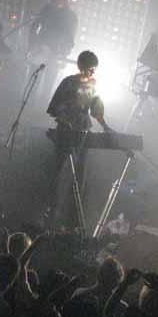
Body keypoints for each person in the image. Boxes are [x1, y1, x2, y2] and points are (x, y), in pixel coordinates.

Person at [46, 50, 112, 228]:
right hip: (66, 133)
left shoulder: (93, 85)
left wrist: (106, 127)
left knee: (80, 177)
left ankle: (73, 222)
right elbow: (56, 108)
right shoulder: (68, 83)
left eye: (95, 69)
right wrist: (64, 121)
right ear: (81, 67)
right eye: (91, 69)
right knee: (59, 174)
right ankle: (51, 216)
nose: (93, 72)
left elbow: (96, 110)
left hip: (82, 133)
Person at [29, 0, 78, 106]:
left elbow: (70, 38)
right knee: (34, 79)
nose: (57, 2)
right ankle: (29, 103)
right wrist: (33, 45)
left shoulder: (71, 16)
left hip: (57, 53)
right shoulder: (47, 10)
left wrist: (64, 53)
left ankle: (41, 107)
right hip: (41, 49)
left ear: (65, 0)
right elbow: (34, 26)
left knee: (49, 82)